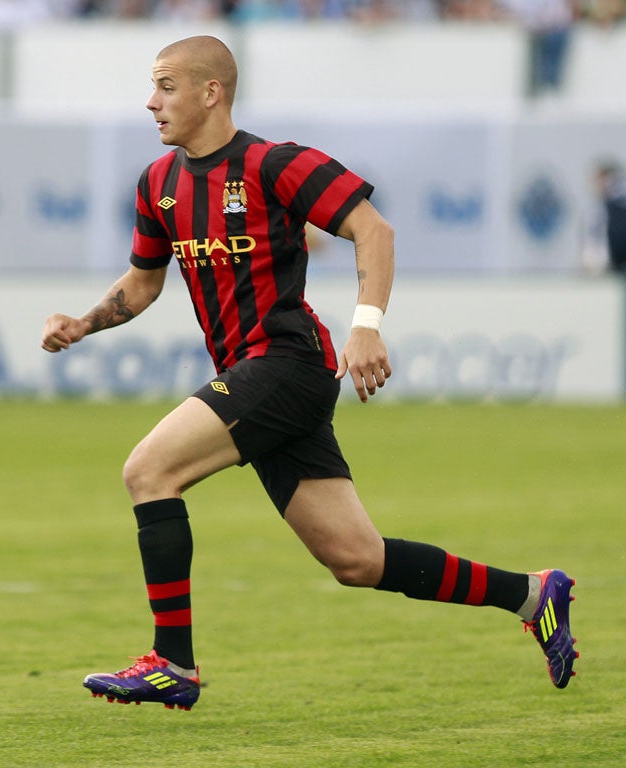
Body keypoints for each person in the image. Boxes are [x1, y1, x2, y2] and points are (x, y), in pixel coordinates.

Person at [40, 35, 578, 711]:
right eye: (153, 88)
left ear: (212, 92)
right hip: (255, 375)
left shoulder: (274, 164)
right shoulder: (158, 185)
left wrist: (366, 325)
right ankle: (532, 594)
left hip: (288, 363)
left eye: (166, 86)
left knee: (150, 470)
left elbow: (372, 230)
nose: (152, 102)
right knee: (356, 560)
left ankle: (172, 663)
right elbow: (144, 284)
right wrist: (85, 323)